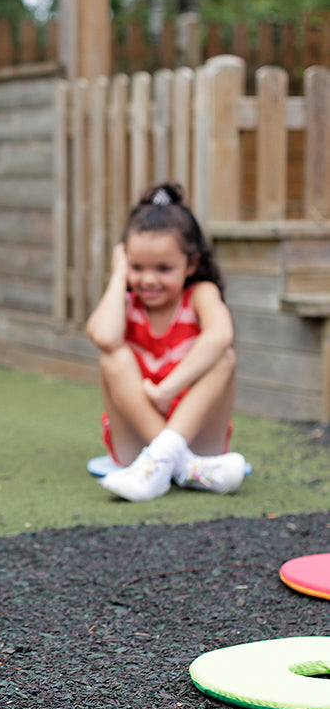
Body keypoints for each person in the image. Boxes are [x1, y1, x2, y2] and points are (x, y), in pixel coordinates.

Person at [85, 182, 247, 502]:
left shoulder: (200, 294)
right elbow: (104, 336)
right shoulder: (127, 302)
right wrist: (119, 275)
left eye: (164, 268)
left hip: (199, 436)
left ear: (191, 264)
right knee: (112, 357)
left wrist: (167, 390)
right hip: (135, 446)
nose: (148, 279)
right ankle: (184, 467)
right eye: (136, 267)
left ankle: (165, 460)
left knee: (223, 357)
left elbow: (221, 335)